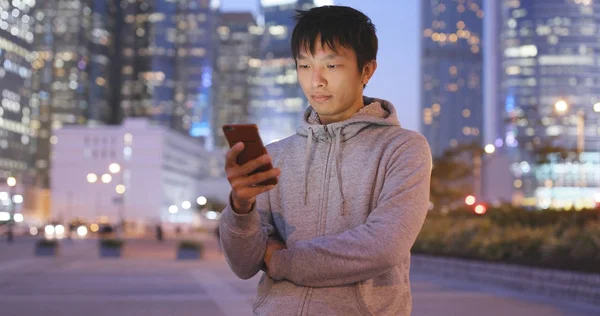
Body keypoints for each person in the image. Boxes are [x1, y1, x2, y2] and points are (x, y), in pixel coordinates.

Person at [219, 5, 432, 316]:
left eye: (331, 66)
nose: (315, 81)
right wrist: (240, 207)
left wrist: (281, 261)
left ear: (367, 70)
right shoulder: (277, 155)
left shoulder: (402, 148)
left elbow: (384, 246)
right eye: (304, 66)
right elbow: (243, 264)